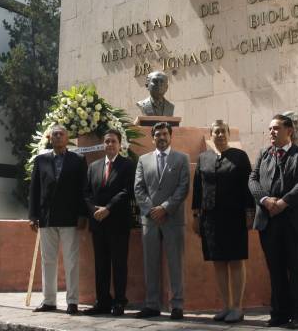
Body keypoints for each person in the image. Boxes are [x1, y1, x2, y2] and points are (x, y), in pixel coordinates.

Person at [249, 114, 298, 329]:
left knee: (296, 269)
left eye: (276, 128)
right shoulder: (264, 153)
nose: (271, 132)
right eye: (270, 129)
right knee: (275, 269)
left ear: (289, 130)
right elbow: (253, 179)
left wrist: (285, 202)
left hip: (294, 222)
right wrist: (265, 200)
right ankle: (279, 313)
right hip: (268, 220)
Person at [191, 120, 254, 323]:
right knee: (218, 261)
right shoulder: (203, 158)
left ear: (228, 134)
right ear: (210, 135)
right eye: (216, 132)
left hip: (235, 216)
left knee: (235, 260)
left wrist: (250, 212)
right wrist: (196, 216)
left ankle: (237, 307)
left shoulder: (240, 156)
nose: (219, 135)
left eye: (223, 131)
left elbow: (248, 186)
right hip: (210, 218)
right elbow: (198, 188)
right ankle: (226, 306)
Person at [29, 124, 88, 315]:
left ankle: (72, 301)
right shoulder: (41, 160)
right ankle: (49, 301)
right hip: (47, 218)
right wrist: (33, 216)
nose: (58, 137)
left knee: (71, 261)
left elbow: (83, 190)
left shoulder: (78, 160)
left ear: (67, 137)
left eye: (61, 134)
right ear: (50, 138)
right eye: (55, 134)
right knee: (48, 261)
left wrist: (82, 214)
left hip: (70, 218)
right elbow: (35, 189)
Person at [133, 121, 190, 319]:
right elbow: (138, 188)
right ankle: (152, 304)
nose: (162, 137)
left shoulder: (182, 158)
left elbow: (183, 187)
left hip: (173, 218)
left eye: (165, 134)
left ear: (170, 136)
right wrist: (151, 209)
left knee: (175, 263)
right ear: (153, 138)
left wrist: (165, 207)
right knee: (150, 263)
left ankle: (177, 305)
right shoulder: (143, 160)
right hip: (150, 220)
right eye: (158, 135)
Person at [83, 129, 136, 317]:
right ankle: (102, 302)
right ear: (103, 144)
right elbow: (86, 193)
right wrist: (94, 210)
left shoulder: (127, 165)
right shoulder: (93, 166)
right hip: (98, 223)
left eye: (113, 141)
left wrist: (108, 209)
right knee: (101, 264)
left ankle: (119, 301)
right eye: (107, 141)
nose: (110, 144)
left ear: (120, 144)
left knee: (119, 264)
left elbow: (127, 191)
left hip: (118, 223)